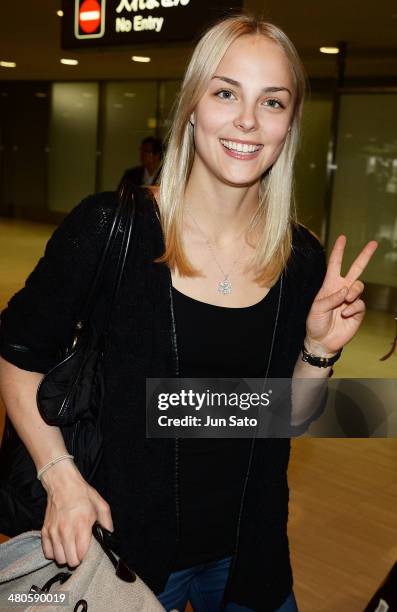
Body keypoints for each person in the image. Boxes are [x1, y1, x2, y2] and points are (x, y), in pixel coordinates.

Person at [0, 14, 378, 612]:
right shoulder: (111, 229)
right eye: (226, 92)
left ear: (289, 125)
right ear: (193, 107)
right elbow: (18, 361)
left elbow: (283, 418)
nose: (248, 120)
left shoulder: (300, 258)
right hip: (127, 554)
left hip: (249, 551)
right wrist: (61, 478)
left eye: (272, 102)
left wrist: (320, 350)